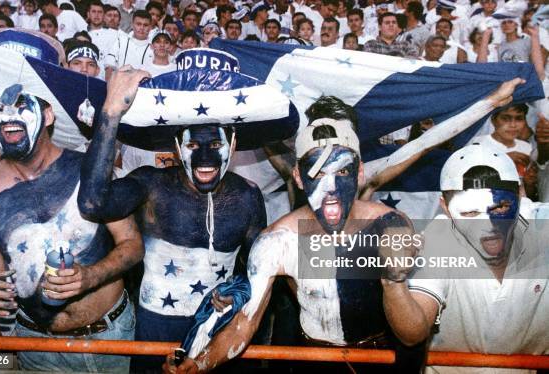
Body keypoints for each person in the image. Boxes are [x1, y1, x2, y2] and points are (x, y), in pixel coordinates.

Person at [164, 78, 527, 373]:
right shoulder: (278, 239)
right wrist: (200, 363)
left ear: (359, 170)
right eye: (318, 173)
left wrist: (489, 103)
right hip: (314, 348)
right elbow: (245, 323)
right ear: (299, 177)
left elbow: (421, 145)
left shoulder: (387, 222)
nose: (331, 185)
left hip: (382, 355)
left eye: (342, 171)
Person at [77, 51, 299, 372]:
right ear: (178, 148)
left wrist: (236, 290)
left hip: (217, 337)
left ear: (233, 145)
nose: (206, 158)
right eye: (194, 147)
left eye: (216, 145)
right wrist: (111, 113)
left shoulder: (248, 197)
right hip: (155, 334)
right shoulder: (151, 185)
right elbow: (92, 203)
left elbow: (256, 274)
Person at [0, 84, 142, 372]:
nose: (8, 115)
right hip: (36, 344)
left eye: (20, 105)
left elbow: (132, 245)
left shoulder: (90, 169)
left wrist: (91, 276)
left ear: (47, 115)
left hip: (109, 338)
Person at [381, 142, 549, 373]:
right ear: (446, 208)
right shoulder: (438, 239)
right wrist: (393, 281)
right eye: (470, 213)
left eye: (499, 209)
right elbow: (413, 333)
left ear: (521, 195)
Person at [104, 10, 153, 81]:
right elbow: (109, 65)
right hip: (119, 85)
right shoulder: (121, 40)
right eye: (138, 24)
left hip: (143, 88)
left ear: (150, 27)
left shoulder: (154, 47)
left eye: (145, 25)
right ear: (132, 24)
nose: (142, 28)